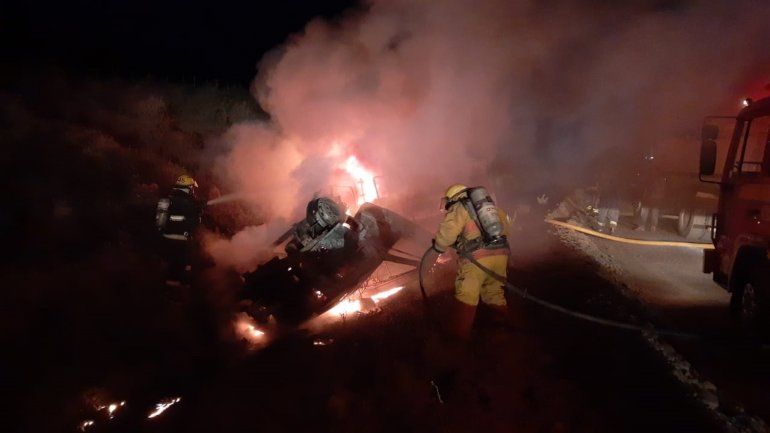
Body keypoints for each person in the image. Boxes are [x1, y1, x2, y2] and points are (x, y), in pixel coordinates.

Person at [431, 184, 511, 340]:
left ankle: (457, 342)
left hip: (477, 260)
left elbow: (447, 234)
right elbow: (506, 228)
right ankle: (500, 335)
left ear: (453, 198)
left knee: (466, 296)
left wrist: (438, 248)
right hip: (501, 256)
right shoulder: (491, 209)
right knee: (494, 293)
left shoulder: (459, 207)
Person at [156, 174, 203, 284]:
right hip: (182, 245)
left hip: (165, 242)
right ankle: (177, 296)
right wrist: (198, 212)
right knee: (182, 274)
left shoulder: (165, 200)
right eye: (192, 189)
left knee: (168, 271)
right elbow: (195, 225)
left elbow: (160, 223)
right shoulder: (192, 204)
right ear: (189, 188)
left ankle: (164, 295)